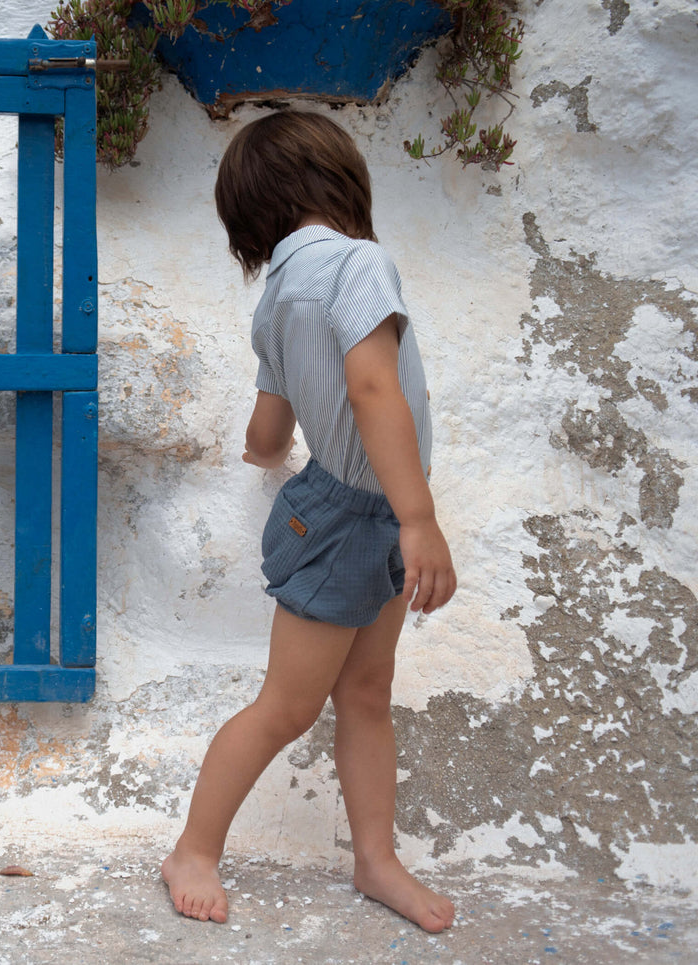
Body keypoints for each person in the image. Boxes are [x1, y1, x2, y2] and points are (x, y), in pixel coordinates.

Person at [160, 111, 458, 933]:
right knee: (288, 706)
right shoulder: (359, 263)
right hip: (366, 517)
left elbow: (264, 434)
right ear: (336, 182)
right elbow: (372, 388)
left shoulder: (280, 295)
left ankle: (375, 859)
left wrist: (284, 464)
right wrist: (418, 516)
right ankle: (192, 848)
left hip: (349, 509)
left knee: (366, 690)